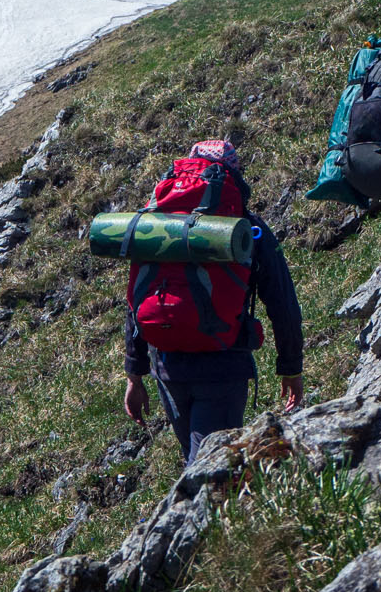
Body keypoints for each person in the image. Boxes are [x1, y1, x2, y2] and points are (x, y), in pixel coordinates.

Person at [123, 139, 304, 462]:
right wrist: (290, 367)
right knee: (209, 469)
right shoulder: (248, 230)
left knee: (197, 459)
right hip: (223, 364)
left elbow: (136, 299)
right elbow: (282, 302)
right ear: (232, 175)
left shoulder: (158, 226)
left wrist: (134, 374)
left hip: (167, 364)